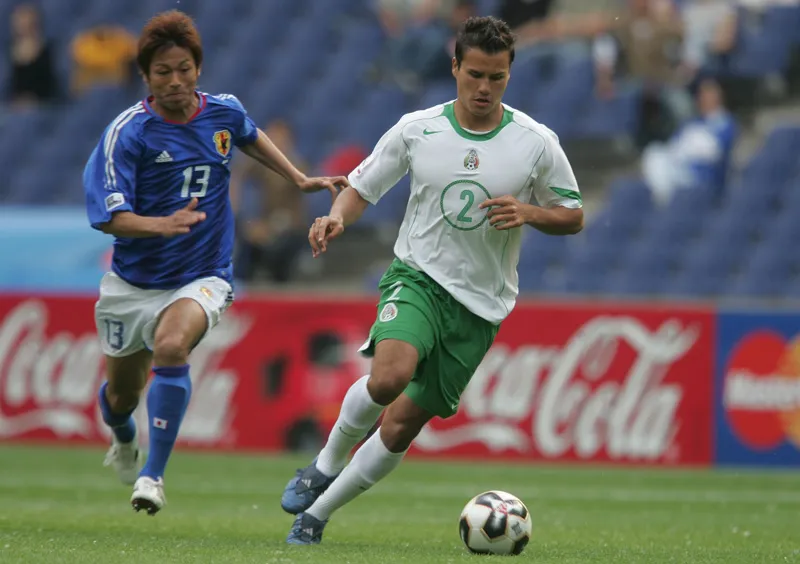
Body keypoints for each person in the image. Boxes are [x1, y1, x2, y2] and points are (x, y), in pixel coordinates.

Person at [281, 15, 584, 545]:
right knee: (388, 377)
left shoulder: (536, 142)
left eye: (496, 77)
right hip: (418, 276)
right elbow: (361, 185)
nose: (484, 88)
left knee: (400, 425)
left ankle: (318, 514)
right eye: (474, 75)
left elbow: (573, 213)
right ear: (454, 68)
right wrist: (337, 217)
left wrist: (530, 212)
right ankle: (323, 465)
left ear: (509, 75)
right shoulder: (418, 128)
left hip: (480, 307)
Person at [83, 10, 348, 515]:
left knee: (171, 345)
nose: (176, 80)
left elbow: (249, 134)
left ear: (198, 68)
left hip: (203, 273)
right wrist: (158, 224)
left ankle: (153, 476)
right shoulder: (129, 133)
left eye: (184, 68)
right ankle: (122, 438)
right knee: (121, 396)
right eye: (164, 72)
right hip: (134, 283)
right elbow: (106, 216)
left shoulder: (222, 112)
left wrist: (298, 178)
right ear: (147, 78)